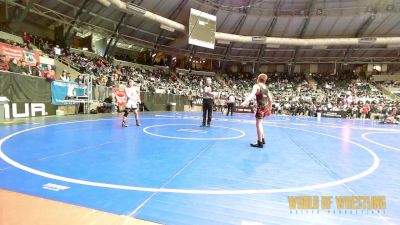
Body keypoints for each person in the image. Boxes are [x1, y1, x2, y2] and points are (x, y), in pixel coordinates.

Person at [241, 73, 273, 148]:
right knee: (260, 123)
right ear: (264, 81)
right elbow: (270, 99)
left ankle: (260, 142)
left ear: (258, 79)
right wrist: (269, 109)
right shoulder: (266, 87)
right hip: (265, 107)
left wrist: (245, 102)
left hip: (260, 108)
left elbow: (252, 95)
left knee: (258, 124)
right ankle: (262, 139)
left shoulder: (256, 86)